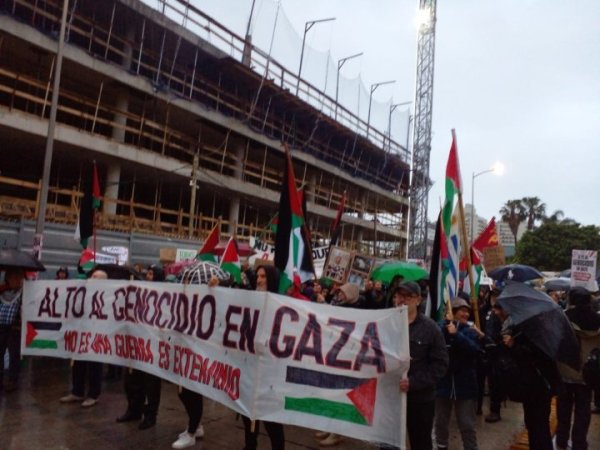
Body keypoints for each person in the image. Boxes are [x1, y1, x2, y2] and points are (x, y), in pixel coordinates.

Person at [381, 281, 449, 450]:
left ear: (418, 300)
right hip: (391, 397)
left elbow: (440, 365)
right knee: (388, 444)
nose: (402, 300)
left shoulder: (431, 329)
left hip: (420, 400)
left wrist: (414, 382)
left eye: (407, 296)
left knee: (420, 442)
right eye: (399, 295)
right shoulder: (386, 324)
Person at [495, 302, 562, 450]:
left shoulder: (540, 336)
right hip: (533, 386)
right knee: (534, 423)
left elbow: (533, 358)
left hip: (539, 385)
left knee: (539, 425)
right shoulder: (534, 331)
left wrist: (514, 346)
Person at [242, 264, 285, 450]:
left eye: (263, 276)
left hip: (270, 374)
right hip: (250, 368)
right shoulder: (251, 301)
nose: (259, 280)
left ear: (272, 279)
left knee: (271, 421)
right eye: (258, 276)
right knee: (247, 414)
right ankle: (250, 446)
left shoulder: (282, 305)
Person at [116, 265, 164, 430]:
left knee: (150, 384)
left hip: (153, 347)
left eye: (151, 273)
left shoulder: (165, 294)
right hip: (136, 344)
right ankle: (133, 409)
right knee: (131, 380)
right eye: (148, 273)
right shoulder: (139, 292)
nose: (148, 276)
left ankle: (150, 415)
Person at [434, 298, 482, 450]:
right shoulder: (438, 329)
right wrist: (446, 328)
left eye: (467, 311)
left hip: (465, 385)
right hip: (443, 384)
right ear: (452, 312)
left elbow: (474, 350)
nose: (466, 314)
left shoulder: (470, 330)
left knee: (466, 424)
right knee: (441, 422)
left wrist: (457, 335)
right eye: (462, 310)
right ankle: (441, 447)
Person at [556, 287, 600, 450]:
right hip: (587, 372)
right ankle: (579, 443)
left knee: (563, 409)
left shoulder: (564, 318)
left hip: (566, 369)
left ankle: (561, 439)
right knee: (583, 411)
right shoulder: (597, 319)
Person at [60, 269, 107, 407]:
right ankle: (77, 391)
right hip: (82, 332)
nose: (91, 278)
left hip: (97, 334)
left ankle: (94, 394)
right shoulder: (83, 293)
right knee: (78, 363)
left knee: (94, 365)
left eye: (95, 277)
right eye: (92, 276)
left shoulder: (106, 296)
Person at [0, 268, 25, 392]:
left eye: (18, 277)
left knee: (14, 354)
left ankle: (12, 381)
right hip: (1, 326)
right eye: (13, 277)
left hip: (15, 327)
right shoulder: (2, 290)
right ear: (8, 278)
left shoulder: (24, 292)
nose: (16, 280)